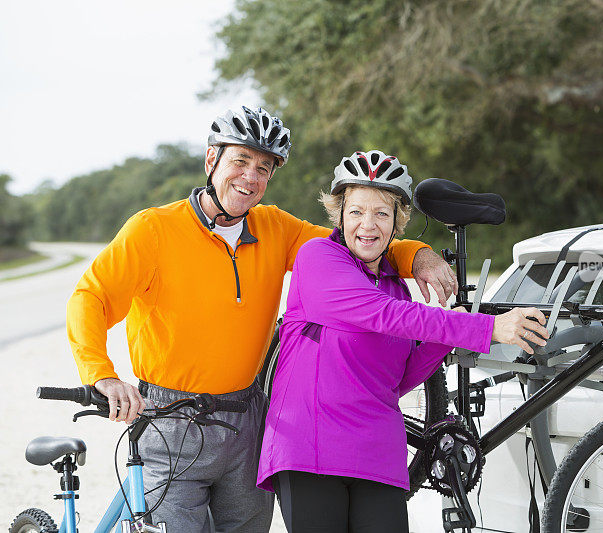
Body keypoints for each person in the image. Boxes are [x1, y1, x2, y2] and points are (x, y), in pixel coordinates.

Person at [66, 107, 459, 532]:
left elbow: (356, 241)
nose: (250, 177)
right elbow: (92, 298)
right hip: (170, 421)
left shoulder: (275, 227)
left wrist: (416, 253)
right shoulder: (153, 230)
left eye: (263, 168)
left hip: (247, 421)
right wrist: (100, 374)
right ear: (211, 161)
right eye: (240, 161)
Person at [257, 150, 549, 533]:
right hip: (311, 445)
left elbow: (398, 378)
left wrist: (444, 337)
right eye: (357, 211)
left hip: (378, 448)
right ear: (340, 215)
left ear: (397, 221)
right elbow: (380, 314)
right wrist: (486, 328)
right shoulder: (318, 258)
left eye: (381, 213)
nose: (368, 224)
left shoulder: (397, 288)